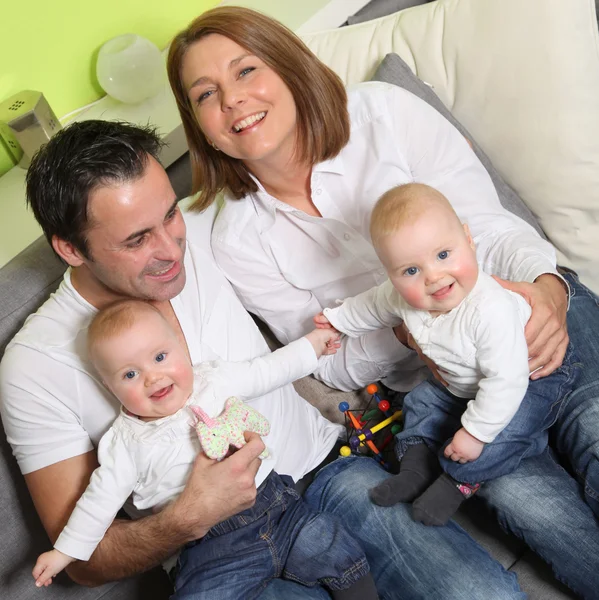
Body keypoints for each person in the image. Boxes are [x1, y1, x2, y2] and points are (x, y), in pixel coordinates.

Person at [166, 5, 599, 597]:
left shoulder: (383, 114)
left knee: (594, 428)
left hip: (529, 309)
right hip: (444, 384)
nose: (234, 100)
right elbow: (329, 358)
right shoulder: (234, 238)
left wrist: (548, 293)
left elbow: (488, 227)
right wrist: (404, 332)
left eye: (246, 71)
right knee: (533, 505)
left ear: (289, 67)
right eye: (206, 93)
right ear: (198, 123)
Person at [0, 119, 527, 600]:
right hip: (217, 551)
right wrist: (187, 517)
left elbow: (318, 166)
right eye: (138, 239)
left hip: (329, 474)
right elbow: (85, 563)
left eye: (167, 215)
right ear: (70, 249)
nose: (170, 248)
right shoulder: (34, 369)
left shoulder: (196, 235)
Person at [33, 300, 378, 599]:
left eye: (160, 356)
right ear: (110, 387)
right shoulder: (124, 443)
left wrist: (314, 344)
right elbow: (98, 501)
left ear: (181, 349)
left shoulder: (213, 380)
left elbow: (268, 370)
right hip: (213, 550)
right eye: (130, 374)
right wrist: (64, 552)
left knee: (334, 545)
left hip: (278, 508)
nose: (152, 377)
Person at [317, 183, 580, 525]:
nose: (433, 277)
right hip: (463, 384)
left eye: (443, 255)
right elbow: (370, 306)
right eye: (411, 270)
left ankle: (458, 482)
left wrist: (473, 434)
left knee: (506, 431)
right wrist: (336, 321)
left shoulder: (490, 309)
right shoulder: (400, 297)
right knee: (420, 401)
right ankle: (413, 470)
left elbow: (506, 381)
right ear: (393, 277)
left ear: (468, 240)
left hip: (529, 377)